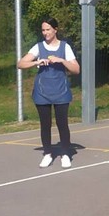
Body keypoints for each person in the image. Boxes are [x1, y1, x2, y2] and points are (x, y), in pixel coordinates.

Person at [17, 17, 80, 168]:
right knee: (45, 124)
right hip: (42, 92)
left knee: (62, 123)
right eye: (43, 30)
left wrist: (61, 61)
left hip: (61, 92)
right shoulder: (38, 47)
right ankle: (47, 153)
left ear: (55, 30)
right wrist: (36, 62)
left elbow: (76, 69)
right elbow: (20, 64)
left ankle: (65, 153)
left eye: (48, 30)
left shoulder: (65, 47)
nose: (45, 33)